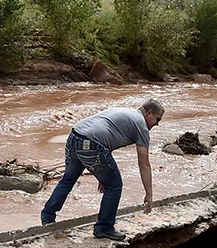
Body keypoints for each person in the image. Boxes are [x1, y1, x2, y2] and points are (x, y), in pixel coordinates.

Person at [39, 100, 163, 240]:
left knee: (68, 178)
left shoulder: (124, 112)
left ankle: (47, 217)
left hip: (75, 136)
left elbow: (107, 137)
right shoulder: (142, 127)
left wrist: (101, 176)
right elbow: (144, 164)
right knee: (114, 186)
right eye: (157, 119)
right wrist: (149, 195)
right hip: (93, 144)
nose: (157, 124)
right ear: (149, 113)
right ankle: (104, 228)